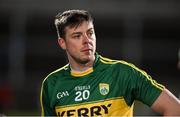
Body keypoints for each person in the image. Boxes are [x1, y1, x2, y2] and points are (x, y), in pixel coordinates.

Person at [40, 9, 180, 116]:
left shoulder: (122, 73)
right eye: (77, 36)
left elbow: (175, 109)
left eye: (90, 33)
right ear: (62, 43)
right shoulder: (52, 84)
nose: (86, 40)